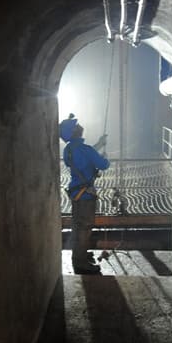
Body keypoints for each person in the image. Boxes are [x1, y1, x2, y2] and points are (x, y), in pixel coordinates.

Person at [60, 114, 109, 274]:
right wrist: (104, 158)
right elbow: (103, 165)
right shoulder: (85, 149)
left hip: (76, 193)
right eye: (77, 125)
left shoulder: (69, 149)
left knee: (77, 226)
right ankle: (80, 262)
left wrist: (99, 145)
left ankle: (79, 254)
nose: (79, 126)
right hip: (85, 196)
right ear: (75, 132)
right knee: (85, 228)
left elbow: (84, 155)